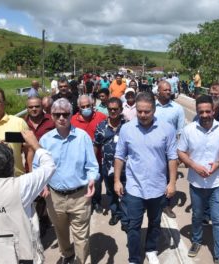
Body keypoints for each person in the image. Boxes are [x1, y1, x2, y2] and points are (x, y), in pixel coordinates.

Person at [0, 131, 56, 264]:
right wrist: (35, 144)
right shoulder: (21, 187)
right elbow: (49, 166)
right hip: (18, 257)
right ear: (11, 165)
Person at [114, 92, 178, 264]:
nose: (142, 115)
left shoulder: (167, 129)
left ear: (154, 110)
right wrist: (117, 180)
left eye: (147, 112)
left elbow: (172, 157)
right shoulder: (127, 129)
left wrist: (172, 183)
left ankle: (151, 249)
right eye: (140, 111)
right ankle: (134, 258)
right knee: (133, 226)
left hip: (157, 187)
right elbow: (119, 156)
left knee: (154, 222)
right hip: (134, 188)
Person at [39, 98, 99, 264]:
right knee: (61, 231)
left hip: (80, 195)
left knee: (81, 235)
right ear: (51, 116)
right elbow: (39, 167)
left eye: (65, 114)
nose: (61, 118)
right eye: (57, 114)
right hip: (54, 196)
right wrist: (42, 184)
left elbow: (92, 166)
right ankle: (67, 254)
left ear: (71, 114)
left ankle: (81, 260)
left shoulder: (83, 137)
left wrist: (92, 179)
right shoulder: (45, 140)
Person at [178, 95, 219, 264]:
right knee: (197, 216)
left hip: (217, 183)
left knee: (217, 220)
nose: (204, 114)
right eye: (200, 111)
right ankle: (196, 240)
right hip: (196, 183)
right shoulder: (189, 130)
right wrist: (194, 166)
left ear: (214, 111)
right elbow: (181, 152)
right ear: (197, 111)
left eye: (207, 111)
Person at [24, 96, 55, 235]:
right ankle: (41, 220)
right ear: (27, 108)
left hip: (48, 164)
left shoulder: (51, 120)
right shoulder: (22, 123)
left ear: (42, 107)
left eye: (37, 106)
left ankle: (46, 218)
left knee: (48, 195)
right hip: (29, 165)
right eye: (31, 107)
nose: (34, 109)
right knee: (35, 195)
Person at [71, 95, 107, 214]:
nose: (86, 108)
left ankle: (96, 202)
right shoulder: (73, 120)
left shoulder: (101, 117)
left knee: (97, 181)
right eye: (83, 107)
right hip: (79, 158)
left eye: (88, 106)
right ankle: (85, 203)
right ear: (79, 107)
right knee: (82, 182)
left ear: (93, 105)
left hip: (98, 158)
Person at [94, 97, 127, 227]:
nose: (113, 111)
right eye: (110, 109)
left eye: (115, 109)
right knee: (111, 192)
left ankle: (125, 218)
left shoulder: (128, 125)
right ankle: (115, 213)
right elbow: (96, 144)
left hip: (126, 167)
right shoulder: (101, 126)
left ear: (121, 110)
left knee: (126, 193)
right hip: (107, 167)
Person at [154, 81, 185, 218]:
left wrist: (179, 154)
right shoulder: (152, 107)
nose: (168, 92)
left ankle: (166, 205)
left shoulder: (177, 109)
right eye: (165, 90)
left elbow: (181, 133)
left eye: (169, 90)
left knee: (169, 177)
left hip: (170, 149)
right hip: (153, 148)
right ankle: (152, 202)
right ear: (158, 91)